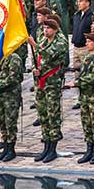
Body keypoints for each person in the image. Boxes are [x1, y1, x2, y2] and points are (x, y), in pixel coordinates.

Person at [64, 32, 94, 164]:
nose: (86, 43)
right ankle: (89, 150)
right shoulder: (88, 58)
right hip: (85, 96)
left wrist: (76, 83)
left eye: (89, 41)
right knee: (87, 123)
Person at [34, 19, 66, 163]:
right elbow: (39, 58)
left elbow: (49, 54)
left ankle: (53, 147)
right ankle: (46, 145)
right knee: (43, 114)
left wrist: (34, 45)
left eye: (48, 28)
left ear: (55, 29)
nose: (45, 30)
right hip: (41, 81)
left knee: (53, 114)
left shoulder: (60, 42)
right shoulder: (43, 40)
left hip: (52, 82)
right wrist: (35, 69)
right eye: (44, 28)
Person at [0, 32, 24, 162]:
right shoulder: (3, 58)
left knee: (10, 123)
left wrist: (0, 86)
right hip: (1, 96)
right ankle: (5, 147)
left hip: (11, 95)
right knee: (2, 122)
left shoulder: (14, 58)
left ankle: (11, 149)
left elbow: (14, 78)